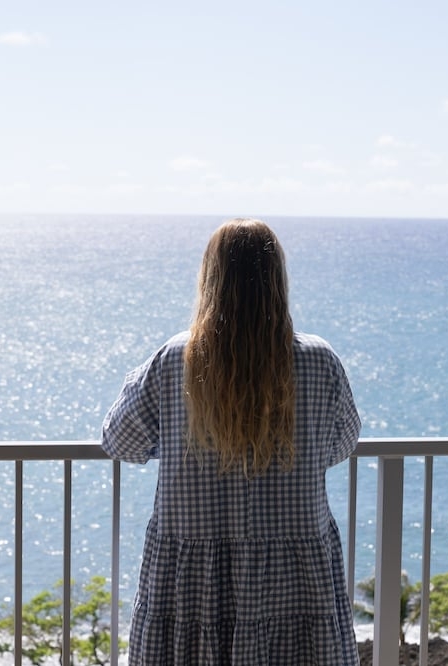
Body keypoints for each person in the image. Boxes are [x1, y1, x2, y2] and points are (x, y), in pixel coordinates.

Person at [100, 217, 362, 665]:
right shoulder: (320, 360)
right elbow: (339, 445)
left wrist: (185, 437)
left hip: (194, 578)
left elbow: (120, 441)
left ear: (211, 278)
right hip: (295, 576)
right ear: (277, 279)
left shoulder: (175, 360)